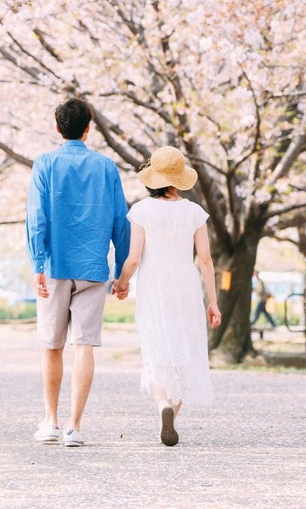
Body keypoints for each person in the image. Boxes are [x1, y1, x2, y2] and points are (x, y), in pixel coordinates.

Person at [26, 97, 129, 448]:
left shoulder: (45, 163)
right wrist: (122, 270)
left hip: (55, 266)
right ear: (88, 129)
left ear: (58, 128)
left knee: (51, 345)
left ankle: (51, 421)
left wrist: (37, 264)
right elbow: (120, 221)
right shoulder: (107, 167)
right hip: (94, 268)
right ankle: (74, 427)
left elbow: (36, 216)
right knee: (84, 345)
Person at [113, 146, 220, 447]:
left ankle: (162, 405)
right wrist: (213, 302)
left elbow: (134, 258)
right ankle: (173, 410)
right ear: (180, 178)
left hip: (154, 287)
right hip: (186, 287)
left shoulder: (141, 210)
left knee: (156, 348)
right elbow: (206, 260)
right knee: (186, 350)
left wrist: (122, 283)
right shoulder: (195, 212)